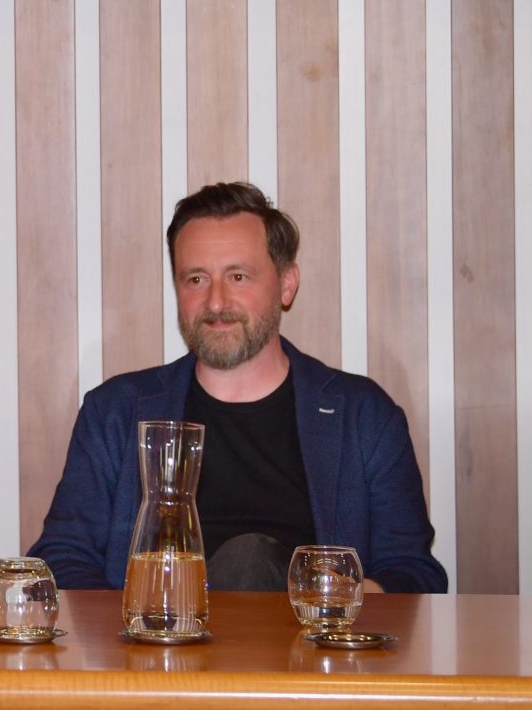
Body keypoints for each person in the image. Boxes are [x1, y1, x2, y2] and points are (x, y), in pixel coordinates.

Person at [29, 182, 447, 593]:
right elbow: (63, 558)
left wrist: (337, 601)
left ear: (286, 283)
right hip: (161, 636)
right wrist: (134, 626)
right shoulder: (115, 413)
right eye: (196, 279)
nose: (215, 302)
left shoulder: (363, 416)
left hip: (308, 636)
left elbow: (412, 572)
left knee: (250, 560)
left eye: (239, 277)